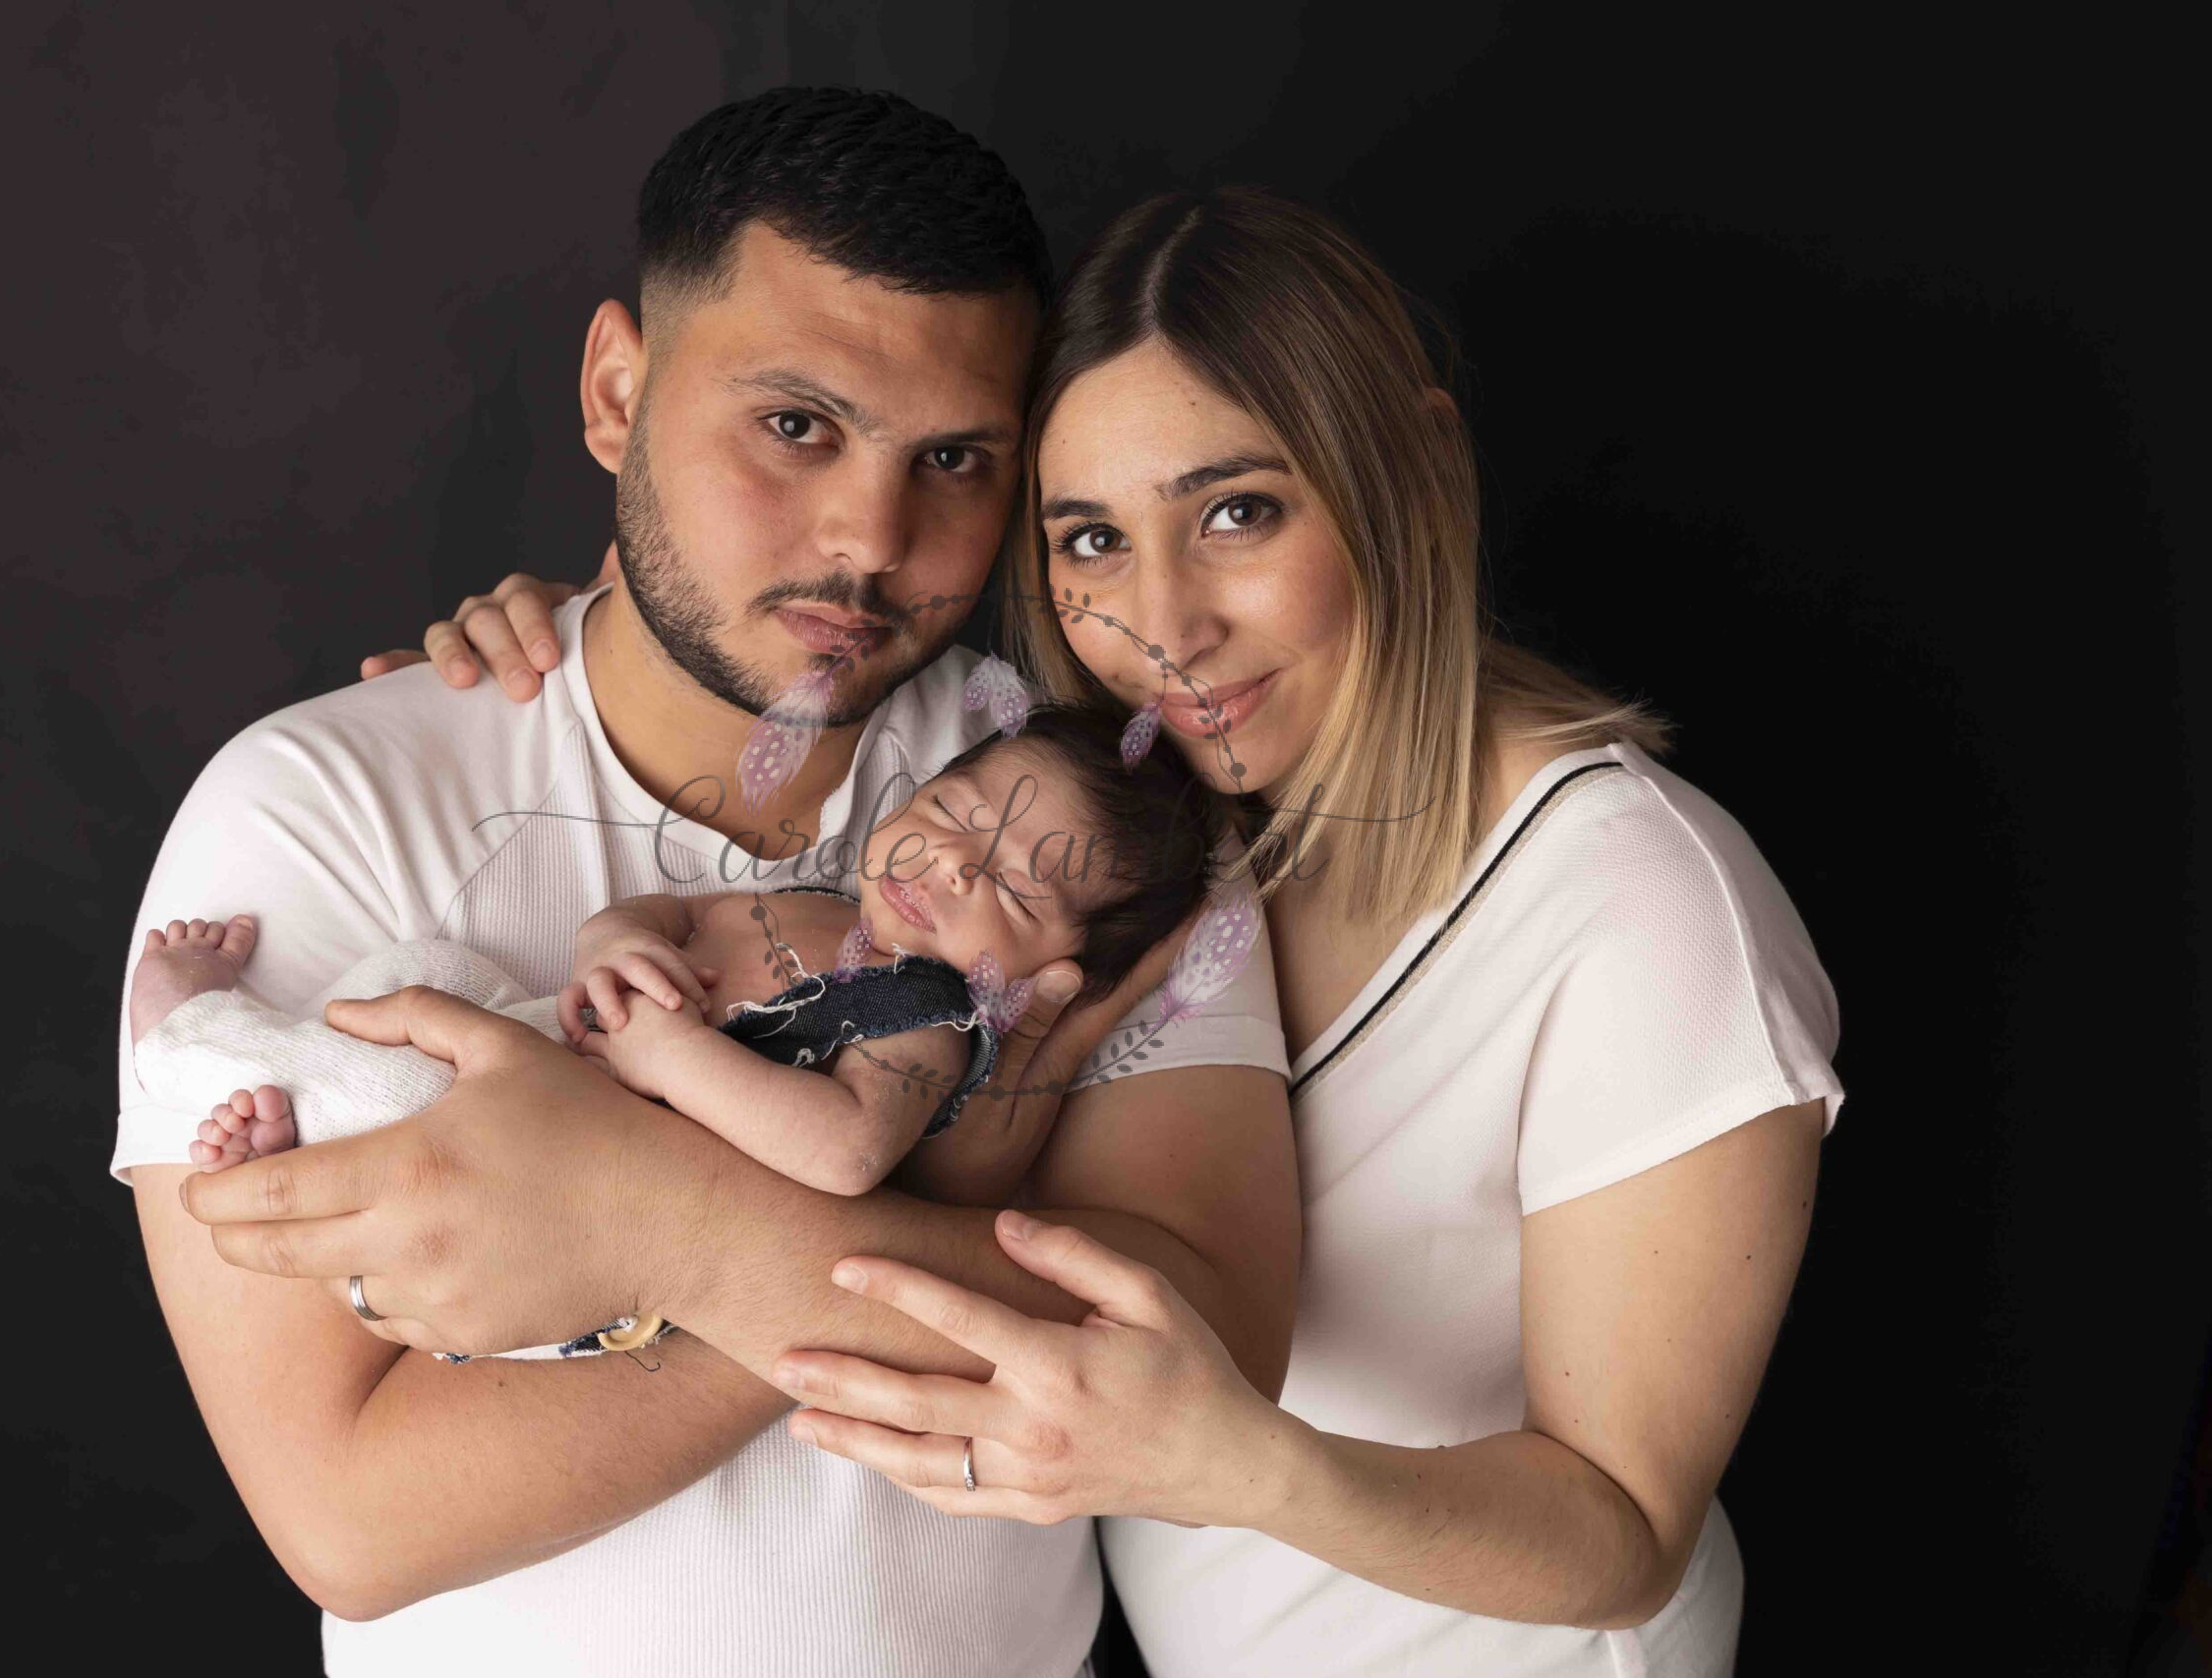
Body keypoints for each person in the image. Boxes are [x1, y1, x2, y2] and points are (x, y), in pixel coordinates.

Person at [412, 186, 1846, 1675]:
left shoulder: (1641, 904)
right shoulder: (1144, 833)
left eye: (1238, 513)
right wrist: (564, 653)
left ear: (1418, 465)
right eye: (1093, 538)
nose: (1164, 623)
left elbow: (1624, 1535)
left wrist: (1240, 1465)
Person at [117, 89, 1298, 1678]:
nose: (871, 537)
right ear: (619, 391)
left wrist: (666, 1224)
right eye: (796, 425)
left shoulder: (1094, 820)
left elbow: (1212, 1350)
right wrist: (954, 1192)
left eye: (953, 457)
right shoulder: (324, 802)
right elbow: (353, 1519)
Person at [124, 703, 1234, 1361]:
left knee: (403, 1097)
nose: (947, 863)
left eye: (1011, 887)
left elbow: (846, 1151)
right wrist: (614, 943)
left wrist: (675, 1055)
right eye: (950, 813)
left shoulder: (925, 1019)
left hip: (565, 1229)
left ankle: (190, 1029)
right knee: (429, 977)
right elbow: (664, 913)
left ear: (1043, 977)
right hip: (534, 1062)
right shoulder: (812, 902)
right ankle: (308, 1132)